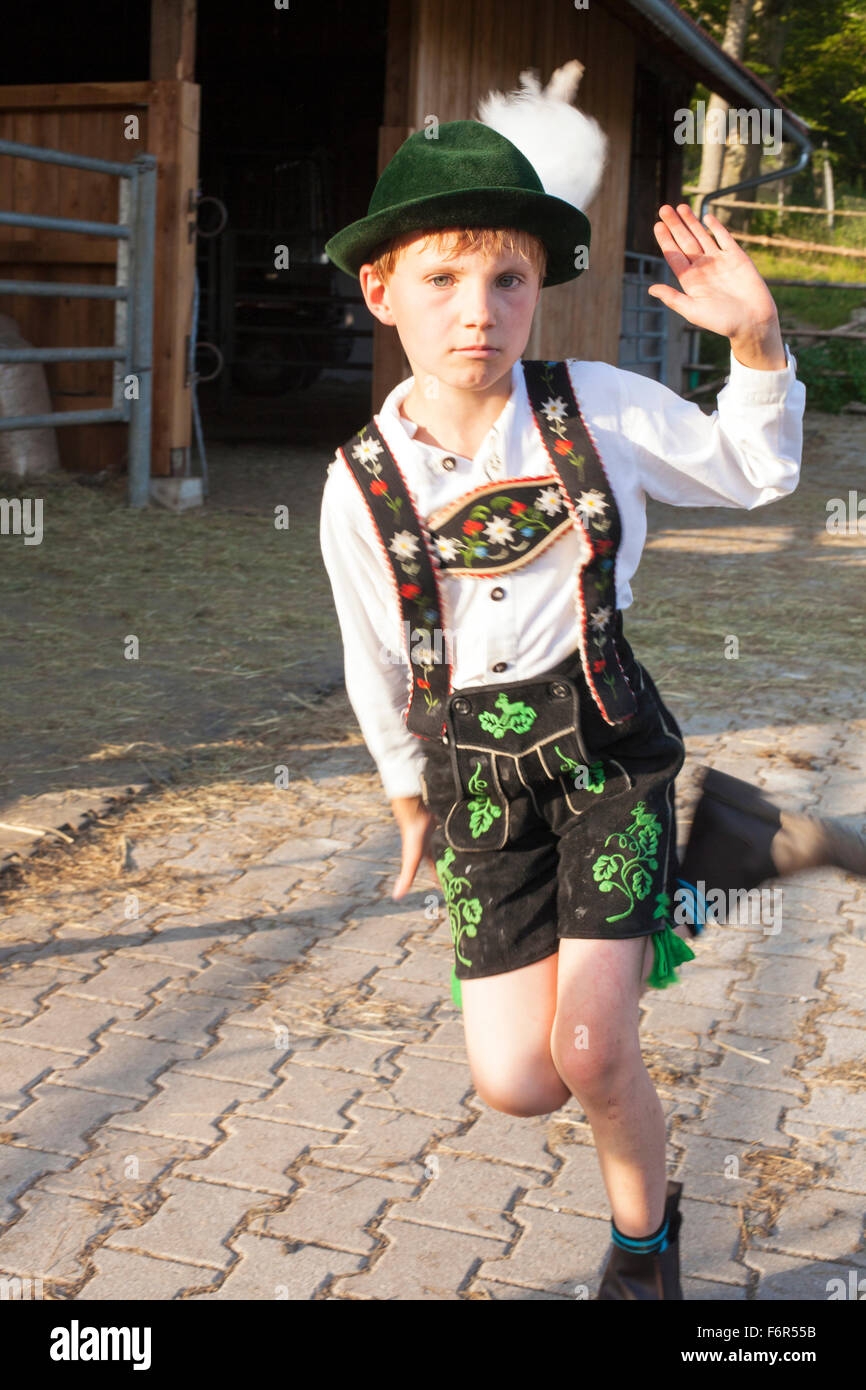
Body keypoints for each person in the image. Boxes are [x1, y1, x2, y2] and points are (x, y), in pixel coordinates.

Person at [318, 63, 809, 1300]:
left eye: (508, 279)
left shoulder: (594, 406)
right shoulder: (361, 474)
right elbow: (370, 647)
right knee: (515, 1081)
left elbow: (754, 474)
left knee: (591, 1051)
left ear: (539, 290)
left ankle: (642, 1250)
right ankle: (719, 864)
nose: (475, 308)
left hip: (604, 749)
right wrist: (402, 794)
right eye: (440, 279)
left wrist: (753, 340)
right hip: (475, 779)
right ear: (382, 292)